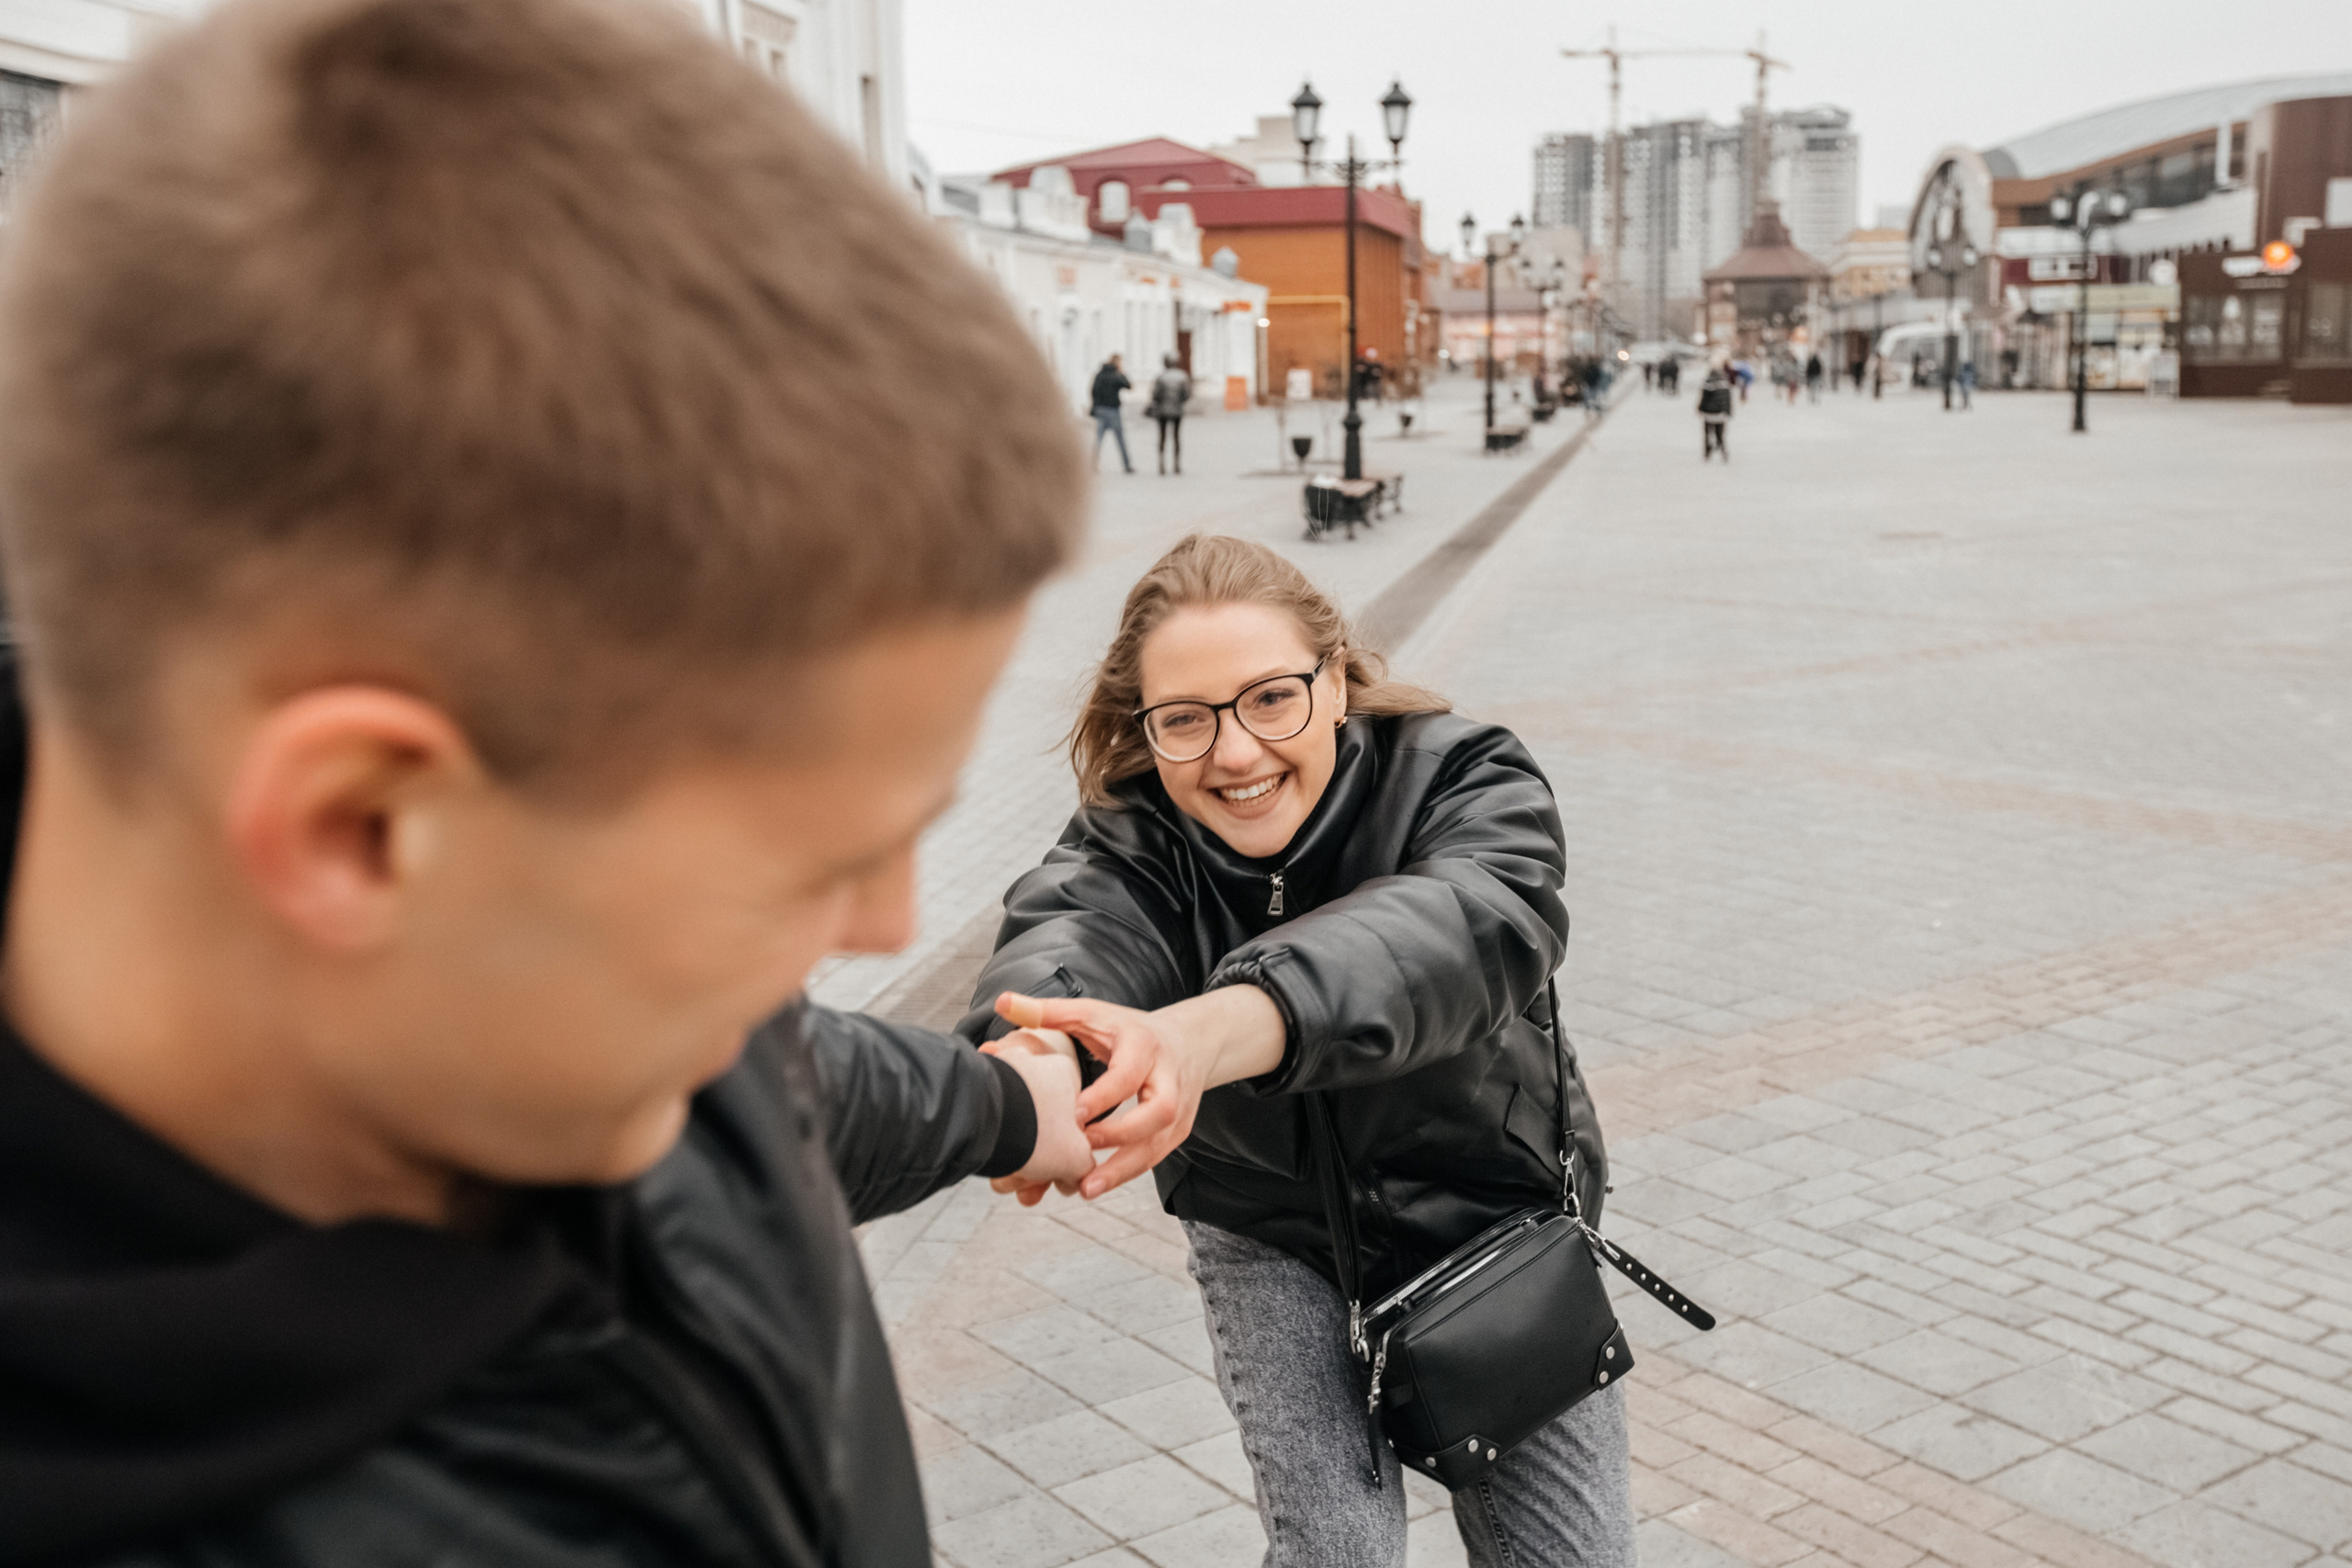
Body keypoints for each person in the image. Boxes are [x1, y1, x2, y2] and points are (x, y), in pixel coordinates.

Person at [0, 0, 1100, 1562]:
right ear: (362, 828)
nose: (889, 921)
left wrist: (1007, 1103)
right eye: (807, 864)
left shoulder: (579, 989)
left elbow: (779, 1081)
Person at [963, 536, 1631, 1568]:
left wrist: (1198, 1035)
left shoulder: (1461, 776)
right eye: (1184, 720)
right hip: (1269, 1228)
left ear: (1335, 678)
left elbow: (1462, 925)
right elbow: (1071, 940)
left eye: (1270, 697)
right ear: (1142, 731)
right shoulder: (1134, 841)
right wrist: (1036, 1066)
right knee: (1339, 1556)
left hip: (1489, 1215)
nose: (1234, 753)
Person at [1148, 353, 1192, 475]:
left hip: (1162, 410)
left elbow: (1155, 395)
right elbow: (1187, 395)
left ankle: (1162, 464)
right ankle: (1176, 464)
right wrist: (1178, 401)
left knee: (1162, 437)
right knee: (1176, 437)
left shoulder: (1161, 377)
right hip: (1177, 410)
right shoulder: (1182, 376)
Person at [1092, 353, 1134, 473]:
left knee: (1098, 439)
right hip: (1113, 410)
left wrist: (1095, 407)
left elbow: (1094, 391)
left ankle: (1093, 464)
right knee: (1120, 439)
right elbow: (1129, 385)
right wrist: (1122, 372)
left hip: (1100, 409)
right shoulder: (1116, 375)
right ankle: (1126, 465)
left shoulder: (1100, 375)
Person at [1698, 365, 1734, 461]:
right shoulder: (1725, 384)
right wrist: (1729, 411)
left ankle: (1707, 453)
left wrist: (1700, 409)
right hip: (1720, 415)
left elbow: (1704, 399)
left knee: (1707, 435)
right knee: (1720, 435)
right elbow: (1728, 400)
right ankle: (1723, 451)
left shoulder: (1707, 384)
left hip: (1708, 414)